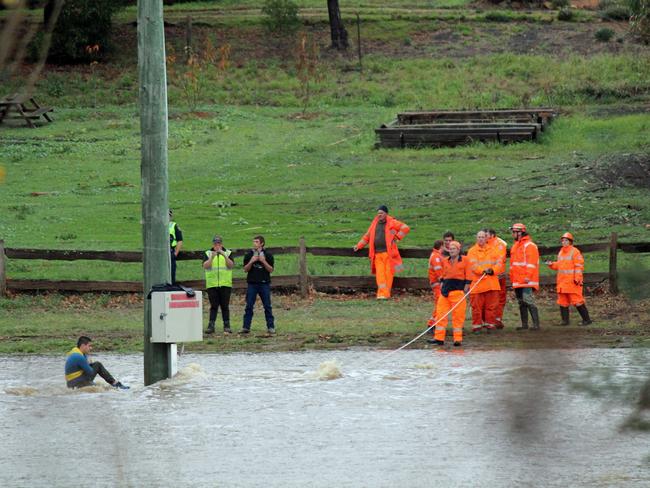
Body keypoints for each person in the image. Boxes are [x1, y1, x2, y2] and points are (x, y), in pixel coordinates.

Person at [353, 205, 410, 299]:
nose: (379, 215)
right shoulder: (374, 223)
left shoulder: (392, 222)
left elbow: (405, 228)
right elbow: (367, 236)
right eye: (378, 213)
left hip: (389, 254)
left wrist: (397, 237)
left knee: (388, 274)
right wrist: (358, 246)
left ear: (386, 214)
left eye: (381, 213)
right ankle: (381, 294)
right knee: (380, 275)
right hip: (377, 254)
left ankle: (385, 294)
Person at [427, 241, 471, 347]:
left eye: (454, 248)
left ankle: (457, 339)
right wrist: (441, 282)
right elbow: (442, 274)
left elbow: (469, 274)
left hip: (458, 291)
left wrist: (467, 285)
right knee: (440, 315)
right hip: (445, 291)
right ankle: (439, 338)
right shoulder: (445, 260)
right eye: (450, 248)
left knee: (458, 317)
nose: (451, 250)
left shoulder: (465, 260)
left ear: (458, 250)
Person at [546, 232, 593, 326]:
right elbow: (559, 266)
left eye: (566, 240)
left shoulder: (575, 252)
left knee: (577, 301)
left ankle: (587, 320)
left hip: (572, 282)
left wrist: (577, 278)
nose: (564, 242)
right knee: (562, 302)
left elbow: (579, 266)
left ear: (570, 241)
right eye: (562, 240)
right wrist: (551, 264)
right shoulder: (561, 252)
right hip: (562, 282)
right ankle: (565, 321)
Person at [467, 230, 504, 334]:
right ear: (476, 238)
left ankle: (490, 325)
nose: (481, 239)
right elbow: (473, 266)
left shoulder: (494, 250)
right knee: (477, 308)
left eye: (483, 237)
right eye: (479, 237)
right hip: (478, 284)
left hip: (492, 283)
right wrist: (483, 271)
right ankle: (477, 327)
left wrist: (493, 270)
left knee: (491, 307)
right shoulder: (472, 251)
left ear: (486, 238)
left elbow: (499, 263)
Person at [64, 336, 129, 389]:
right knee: (97, 365)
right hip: (77, 383)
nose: (91, 348)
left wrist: (87, 361)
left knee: (96, 368)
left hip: (71, 383)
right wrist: (88, 361)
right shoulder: (79, 356)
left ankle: (111, 383)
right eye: (89, 346)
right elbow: (90, 372)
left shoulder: (76, 351)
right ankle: (115, 383)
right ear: (83, 345)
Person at [241, 235, 275, 335]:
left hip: (264, 284)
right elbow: (245, 269)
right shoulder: (248, 254)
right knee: (249, 306)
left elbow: (271, 270)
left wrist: (263, 261)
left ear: (262, 243)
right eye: (254, 241)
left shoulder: (268, 255)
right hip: (252, 284)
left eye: (256, 242)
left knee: (267, 306)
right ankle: (246, 327)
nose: (254, 243)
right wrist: (252, 261)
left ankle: (271, 327)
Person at [509, 222, 540, 331]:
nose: (512, 234)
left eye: (514, 232)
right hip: (518, 280)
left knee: (528, 301)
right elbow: (513, 265)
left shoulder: (529, 246)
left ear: (519, 233)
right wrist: (513, 278)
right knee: (521, 302)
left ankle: (536, 325)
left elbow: (532, 263)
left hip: (527, 280)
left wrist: (527, 276)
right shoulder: (516, 246)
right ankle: (524, 325)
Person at [203, 235, 235, 334]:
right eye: (215, 244)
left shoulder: (228, 253)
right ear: (213, 244)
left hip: (225, 283)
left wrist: (224, 255)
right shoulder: (208, 253)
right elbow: (205, 266)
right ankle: (211, 326)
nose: (217, 246)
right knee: (213, 306)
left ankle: (227, 326)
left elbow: (231, 266)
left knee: (225, 306)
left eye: (219, 244)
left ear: (222, 244)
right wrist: (212, 258)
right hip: (212, 284)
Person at [486, 228, 508, 329]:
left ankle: (497, 319)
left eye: (486, 235)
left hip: (498, 275)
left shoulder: (500, 244)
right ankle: (491, 319)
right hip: (489, 275)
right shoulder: (485, 243)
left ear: (492, 235)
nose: (485, 237)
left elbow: (499, 259)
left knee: (499, 298)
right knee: (490, 298)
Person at [428, 240, 444, 318]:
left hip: (436, 282)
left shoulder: (436, 255)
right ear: (441, 246)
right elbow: (438, 270)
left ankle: (435, 322)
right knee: (439, 303)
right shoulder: (436, 256)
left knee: (440, 303)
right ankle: (433, 323)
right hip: (437, 283)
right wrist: (443, 280)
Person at [169, 209, 183, 284]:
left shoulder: (174, 225)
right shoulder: (157, 225)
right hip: (159, 253)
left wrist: (175, 254)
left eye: (169, 215)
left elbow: (180, 240)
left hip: (170, 251)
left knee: (171, 274)